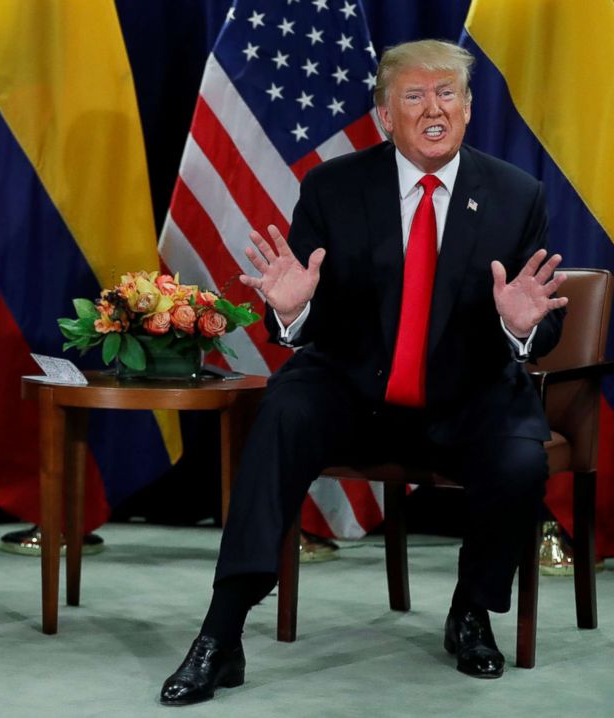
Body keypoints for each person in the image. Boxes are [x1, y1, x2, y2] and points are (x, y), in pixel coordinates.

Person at [159, 39, 567, 705]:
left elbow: (539, 316)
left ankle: (471, 608)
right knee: (283, 413)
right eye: (415, 96)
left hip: (468, 393)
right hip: (352, 389)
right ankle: (221, 632)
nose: (434, 109)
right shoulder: (334, 187)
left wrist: (520, 324)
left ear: (467, 110)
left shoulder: (517, 195)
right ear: (384, 116)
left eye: (448, 95)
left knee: (521, 458)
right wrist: (292, 311)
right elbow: (303, 312)